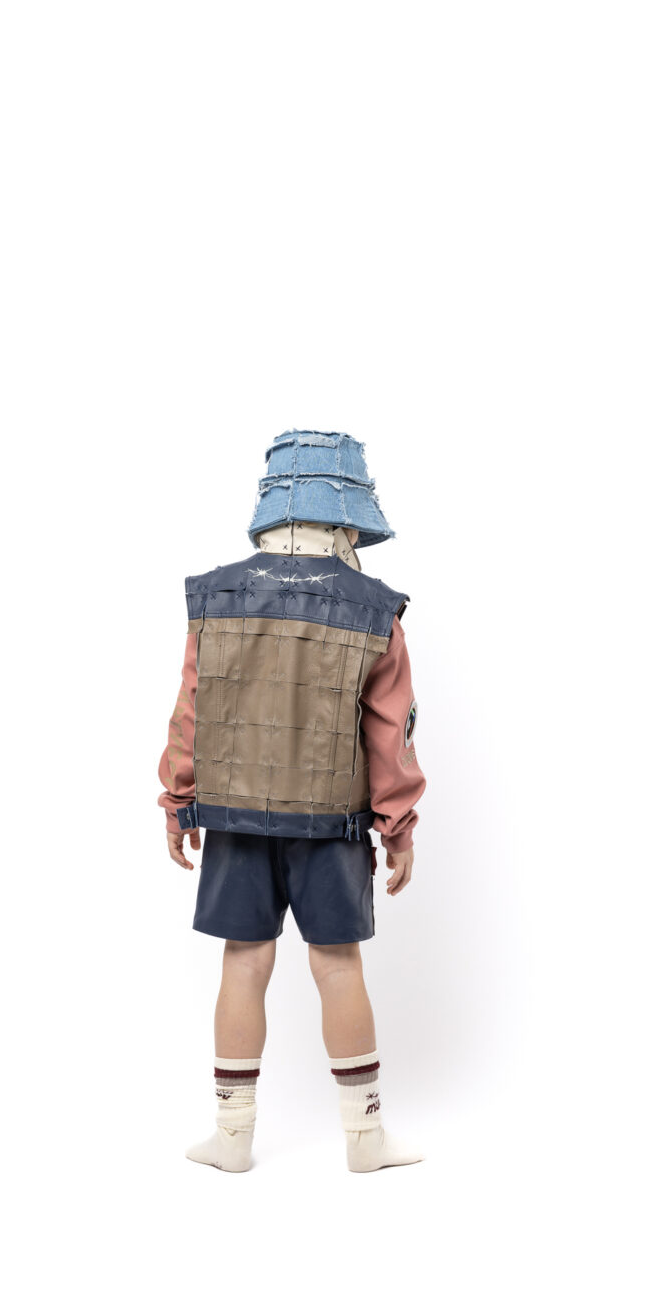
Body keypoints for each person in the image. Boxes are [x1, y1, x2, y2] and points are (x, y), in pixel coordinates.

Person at [158, 429, 426, 1173]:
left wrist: (179, 800)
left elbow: (191, 710)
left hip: (235, 818)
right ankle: (366, 1140)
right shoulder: (376, 610)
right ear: (350, 520)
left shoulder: (215, 598)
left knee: (243, 963)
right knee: (338, 967)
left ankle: (231, 1139)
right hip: (332, 824)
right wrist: (398, 826)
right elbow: (391, 735)